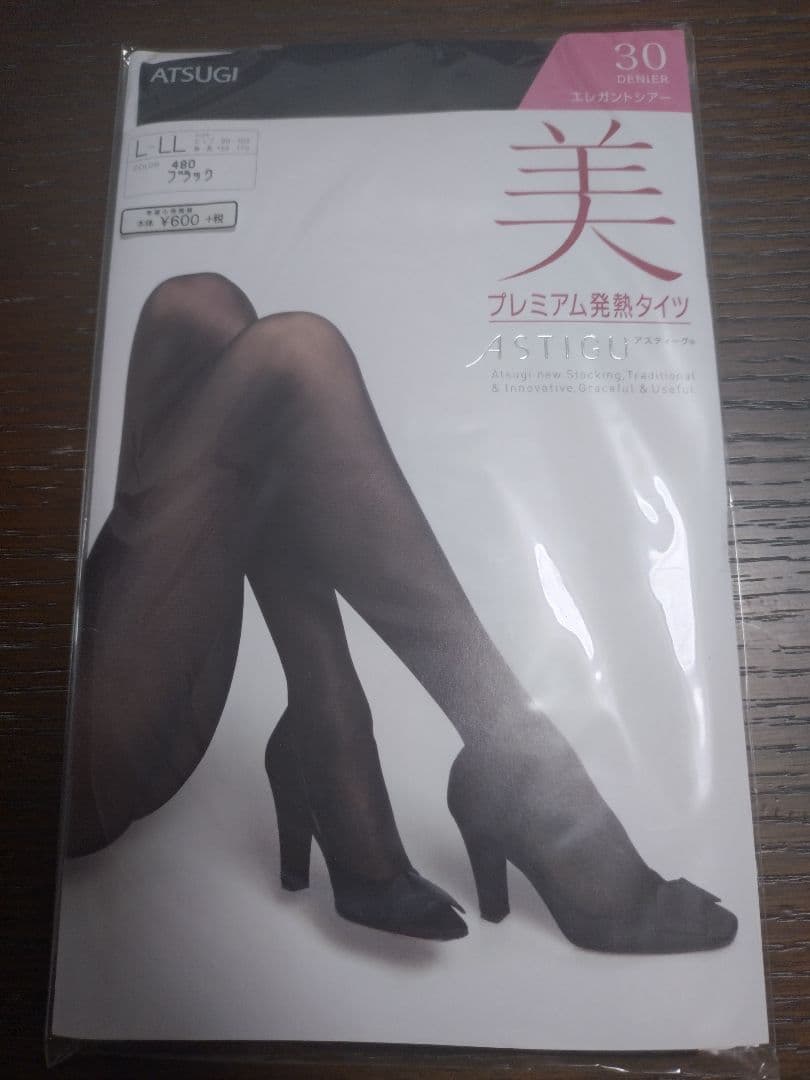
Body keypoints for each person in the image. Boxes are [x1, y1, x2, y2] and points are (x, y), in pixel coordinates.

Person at [65, 272, 737, 952]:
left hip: (101, 663)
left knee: (199, 307)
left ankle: (332, 726)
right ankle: (509, 758)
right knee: (294, 356)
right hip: (65, 773)